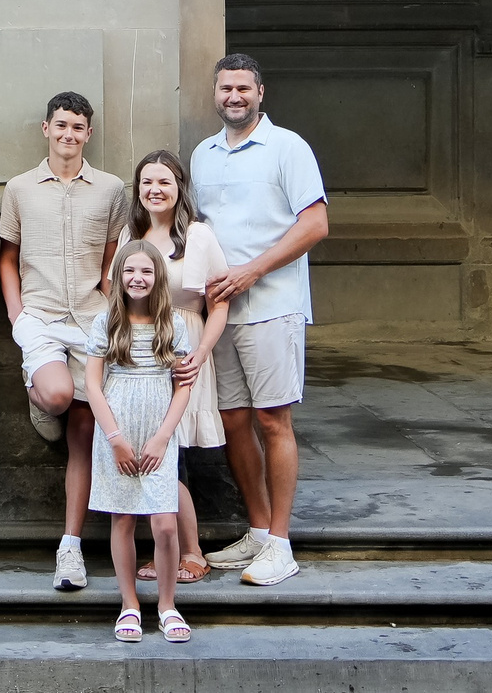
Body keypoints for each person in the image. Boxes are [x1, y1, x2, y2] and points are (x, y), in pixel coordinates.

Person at [189, 53, 328, 588]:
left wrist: (251, 272)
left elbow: (315, 223)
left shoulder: (287, 148)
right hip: (219, 314)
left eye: (244, 88)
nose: (234, 97)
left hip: (272, 306)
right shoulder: (202, 155)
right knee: (233, 423)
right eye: (226, 88)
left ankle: (282, 544)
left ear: (261, 93)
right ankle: (257, 528)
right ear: (216, 93)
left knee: (273, 421)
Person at [0, 90, 130, 593]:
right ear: (45, 129)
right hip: (40, 316)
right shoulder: (20, 188)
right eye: (60, 125)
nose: (68, 134)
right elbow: (6, 256)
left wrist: (112, 307)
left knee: (84, 435)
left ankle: (69, 548)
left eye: (77, 126)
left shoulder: (112, 189)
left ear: (88, 133)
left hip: (92, 320)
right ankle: (41, 395)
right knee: (55, 396)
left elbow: (113, 257)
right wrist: (16, 313)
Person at [79, 238, 197, 644]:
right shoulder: (106, 323)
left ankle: (167, 605)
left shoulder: (173, 325)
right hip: (118, 432)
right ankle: (129, 602)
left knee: (165, 524)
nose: (137, 278)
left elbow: (183, 387)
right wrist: (114, 438)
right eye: (130, 270)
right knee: (123, 517)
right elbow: (93, 384)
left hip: (158, 434)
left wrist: (164, 437)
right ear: (118, 276)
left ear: (157, 278)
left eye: (146, 271)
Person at [125, 148, 229, 586]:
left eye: (164, 181)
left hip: (186, 351)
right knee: (153, 450)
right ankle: (164, 550)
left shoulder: (200, 237)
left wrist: (200, 355)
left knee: (174, 453)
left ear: (179, 187)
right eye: (147, 181)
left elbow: (218, 303)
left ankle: (192, 551)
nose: (155, 189)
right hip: (139, 355)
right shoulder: (130, 234)